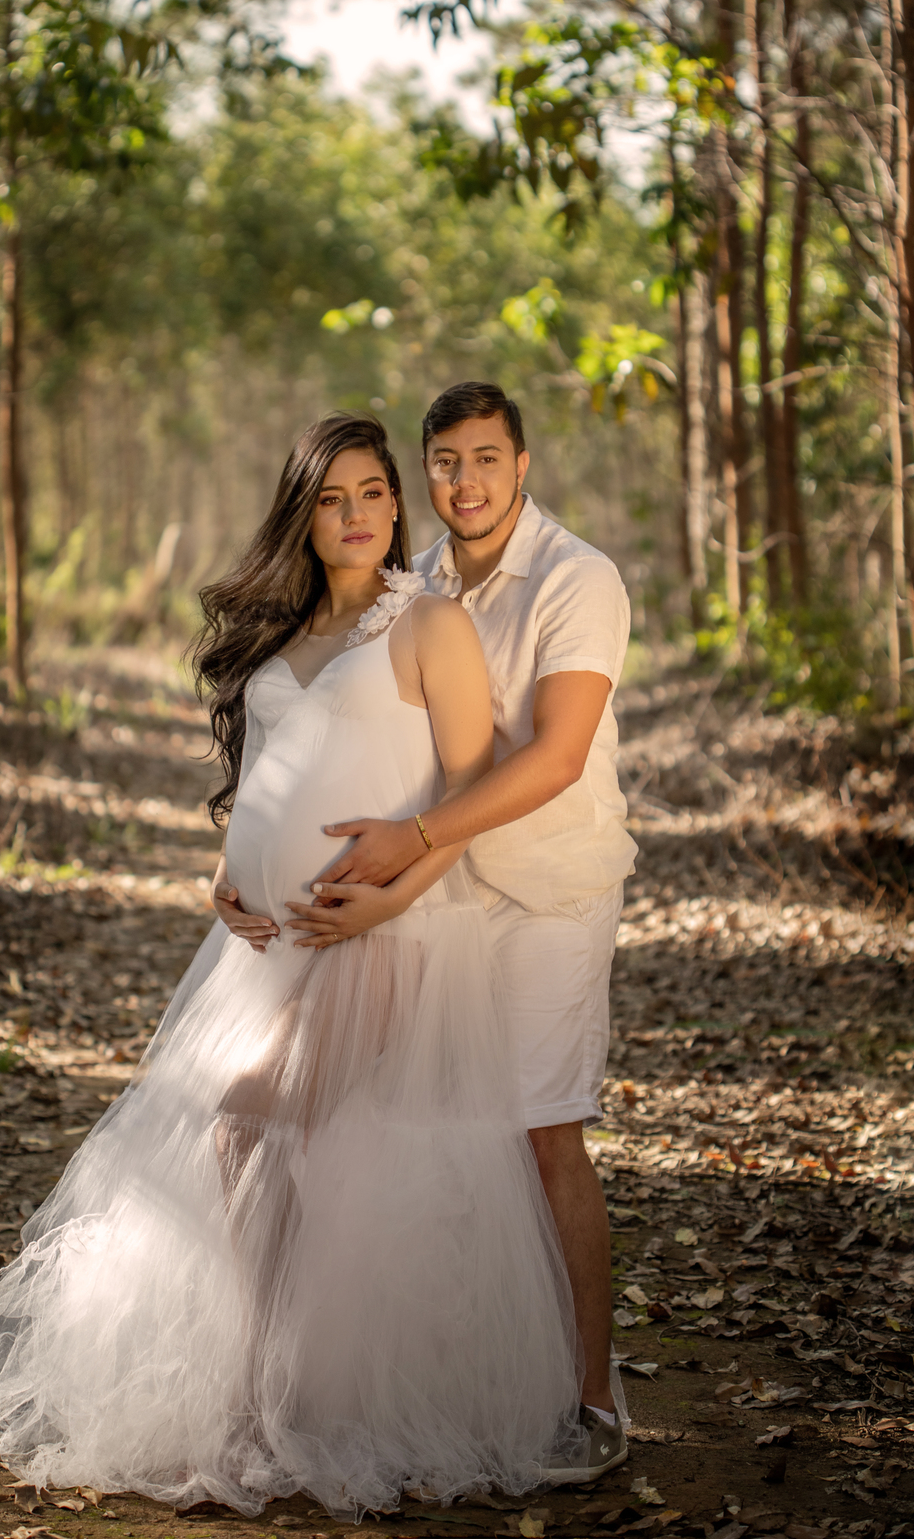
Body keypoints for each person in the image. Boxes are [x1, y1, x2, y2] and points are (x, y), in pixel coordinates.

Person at [0, 412, 611, 1519]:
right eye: (331, 498)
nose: (353, 517)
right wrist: (232, 858)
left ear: (399, 506)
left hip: (385, 935)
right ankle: (284, 1383)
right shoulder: (287, 631)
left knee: (246, 1123)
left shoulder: (429, 623)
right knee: (292, 1150)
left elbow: (462, 796)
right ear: (303, 513)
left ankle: (267, 1392)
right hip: (264, 947)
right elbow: (278, 760)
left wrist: (385, 899)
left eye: (372, 495)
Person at [221, 384, 635, 1484]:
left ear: (523, 462)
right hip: (441, 895)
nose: (466, 482)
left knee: (543, 1132)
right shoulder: (430, 580)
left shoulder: (576, 578)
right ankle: (467, 1374)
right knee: (446, 1138)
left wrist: (408, 854)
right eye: (445, 462)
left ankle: (590, 1397)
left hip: (543, 889)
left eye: (486, 459)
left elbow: (545, 760)